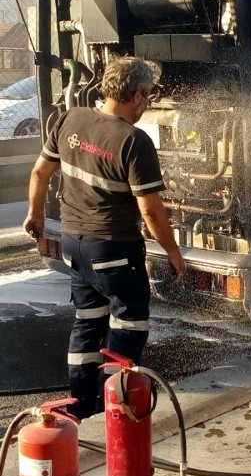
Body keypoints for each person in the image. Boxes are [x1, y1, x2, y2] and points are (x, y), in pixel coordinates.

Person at [23, 56, 186, 418]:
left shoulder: (70, 119)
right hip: (114, 249)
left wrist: (35, 214)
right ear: (140, 97)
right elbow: (151, 211)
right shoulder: (133, 141)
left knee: (87, 320)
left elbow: (39, 173)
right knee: (128, 325)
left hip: (74, 244)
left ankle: (82, 403)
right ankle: (116, 405)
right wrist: (173, 252)